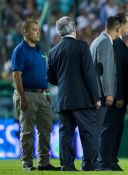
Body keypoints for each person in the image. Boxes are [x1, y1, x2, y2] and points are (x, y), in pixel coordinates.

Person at [47, 16, 101, 171]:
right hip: (82, 99)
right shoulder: (81, 46)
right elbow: (89, 74)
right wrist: (95, 97)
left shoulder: (53, 51)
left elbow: (49, 76)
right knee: (88, 133)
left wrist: (64, 83)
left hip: (63, 99)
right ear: (73, 29)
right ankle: (89, 164)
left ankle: (66, 165)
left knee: (66, 134)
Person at [11, 18, 60, 171]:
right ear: (25, 32)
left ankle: (44, 163)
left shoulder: (40, 50)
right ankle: (26, 163)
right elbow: (17, 75)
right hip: (27, 94)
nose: (38, 32)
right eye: (34, 29)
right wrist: (22, 97)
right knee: (27, 130)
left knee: (46, 130)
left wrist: (46, 93)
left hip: (42, 95)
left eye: (38, 29)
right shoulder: (20, 50)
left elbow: (42, 74)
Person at [97, 12, 128, 171]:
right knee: (110, 129)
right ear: (120, 26)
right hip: (116, 96)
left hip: (119, 95)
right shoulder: (113, 44)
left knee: (115, 129)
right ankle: (105, 162)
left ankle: (111, 160)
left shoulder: (117, 43)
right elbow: (115, 72)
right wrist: (119, 95)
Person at [89, 16, 122, 170]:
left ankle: (89, 161)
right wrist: (109, 93)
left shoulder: (97, 40)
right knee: (96, 130)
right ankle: (92, 162)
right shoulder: (105, 42)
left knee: (95, 130)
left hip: (96, 91)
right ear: (117, 28)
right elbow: (105, 70)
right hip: (101, 93)